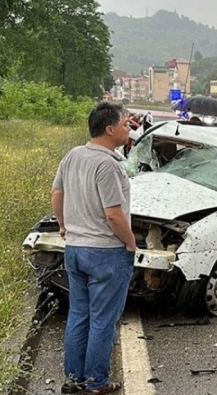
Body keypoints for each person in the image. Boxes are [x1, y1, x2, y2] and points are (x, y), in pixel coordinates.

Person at [52, 101, 135, 395]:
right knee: (103, 320)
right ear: (110, 129)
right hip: (106, 252)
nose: (129, 129)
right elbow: (113, 214)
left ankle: (74, 380)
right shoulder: (107, 165)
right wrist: (130, 241)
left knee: (79, 315)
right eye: (125, 124)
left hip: (75, 248)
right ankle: (97, 382)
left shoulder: (73, 155)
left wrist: (63, 225)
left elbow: (57, 192)